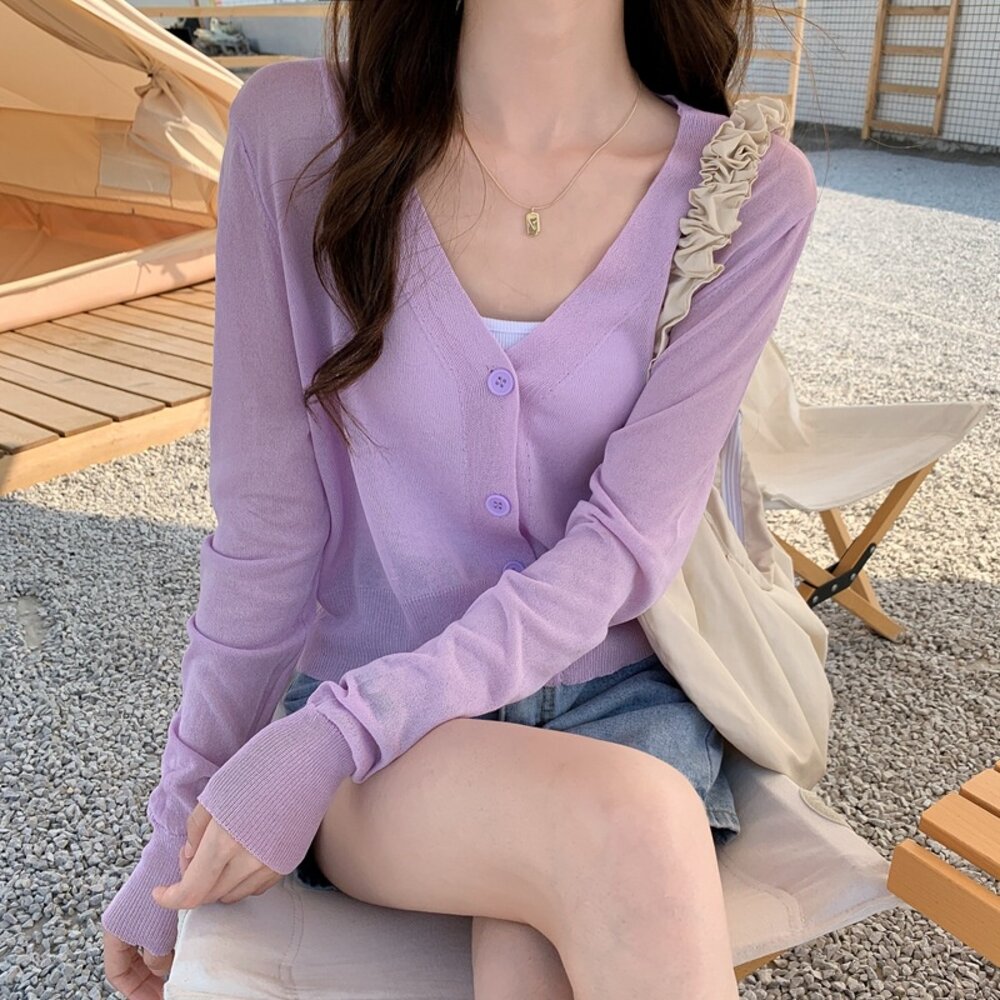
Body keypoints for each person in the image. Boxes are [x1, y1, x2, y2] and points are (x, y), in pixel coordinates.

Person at [101, 2, 818, 998]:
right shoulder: (298, 135)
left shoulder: (745, 191)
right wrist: (176, 827)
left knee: (563, 914)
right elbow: (268, 531)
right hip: (375, 733)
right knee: (629, 825)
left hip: (614, 707)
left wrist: (333, 735)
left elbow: (627, 538)